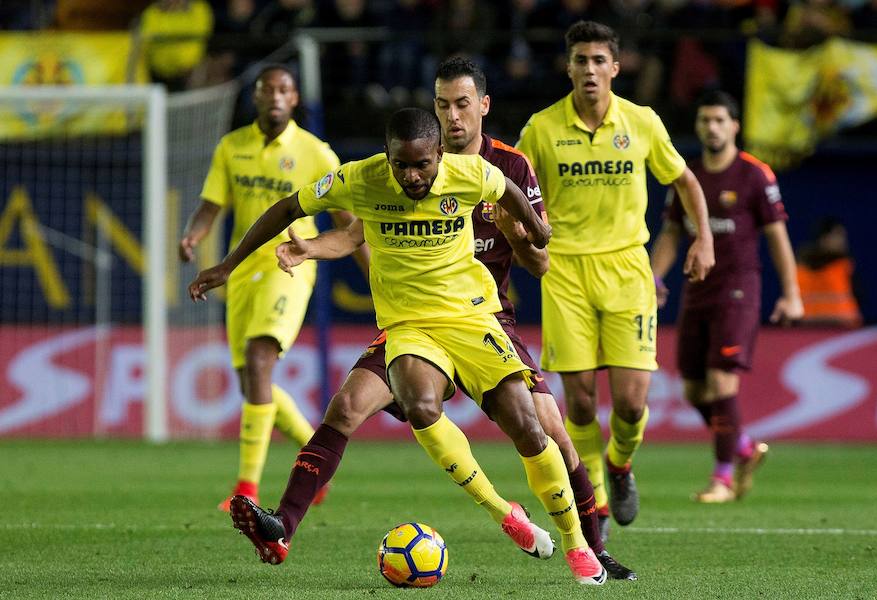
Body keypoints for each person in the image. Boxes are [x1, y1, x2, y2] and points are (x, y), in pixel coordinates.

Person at [216, 57, 634, 580]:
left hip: (483, 317)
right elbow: (348, 231)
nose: (453, 115)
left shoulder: (495, 169)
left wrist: (527, 232)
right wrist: (299, 252)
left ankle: (591, 548)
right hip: (410, 325)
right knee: (356, 406)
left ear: (481, 107)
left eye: (462, 104)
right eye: (443, 104)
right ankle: (282, 526)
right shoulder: (370, 177)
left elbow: (538, 255)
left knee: (544, 427)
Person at [516, 20, 715, 527]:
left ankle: (621, 463)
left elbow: (686, 181)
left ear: (616, 68)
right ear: (568, 67)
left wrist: (704, 238)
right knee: (579, 401)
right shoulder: (541, 129)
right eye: (580, 60)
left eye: (599, 60)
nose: (589, 69)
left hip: (628, 268)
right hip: (565, 273)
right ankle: (598, 502)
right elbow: (512, 190)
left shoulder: (642, 122)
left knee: (630, 402)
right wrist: (518, 243)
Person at [180, 64, 355, 511]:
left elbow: (347, 224)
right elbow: (211, 204)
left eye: (284, 90)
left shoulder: (317, 154)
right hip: (240, 273)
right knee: (251, 381)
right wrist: (195, 235)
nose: (275, 96)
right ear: (256, 97)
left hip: (289, 267)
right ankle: (312, 457)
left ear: (295, 99)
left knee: (260, 360)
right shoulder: (231, 147)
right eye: (266, 90)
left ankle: (247, 488)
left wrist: (377, 278)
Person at [649, 90, 804, 502]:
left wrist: (791, 293)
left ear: (734, 125)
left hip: (739, 290)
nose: (712, 127)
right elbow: (671, 233)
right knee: (695, 391)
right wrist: (653, 277)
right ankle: (744, 448)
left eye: (720, 120)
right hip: (697, 288)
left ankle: (723, 478)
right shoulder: (688, 176)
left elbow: (777, 238)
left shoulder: (755, 174)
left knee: (721, 381)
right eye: (705, 120)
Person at [797, 217, 862, 328]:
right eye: (837, 235)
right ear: (823, 239)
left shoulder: (845, 267)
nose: (842, 241)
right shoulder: (800, 269)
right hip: (806, 331)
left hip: (843, 331)